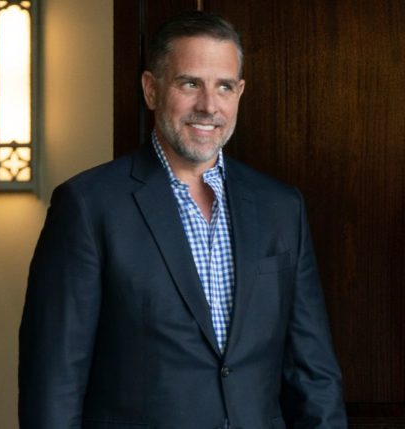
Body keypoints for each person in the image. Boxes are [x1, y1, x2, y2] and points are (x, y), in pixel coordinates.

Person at [19, 10, 346, 428]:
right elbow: (54, 381)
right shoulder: (87, 206)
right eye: (190, 83)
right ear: (151, 90)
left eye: (224, 86)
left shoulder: (281, 208)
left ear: (239, 92)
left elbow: (313, 371)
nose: (208, 105)